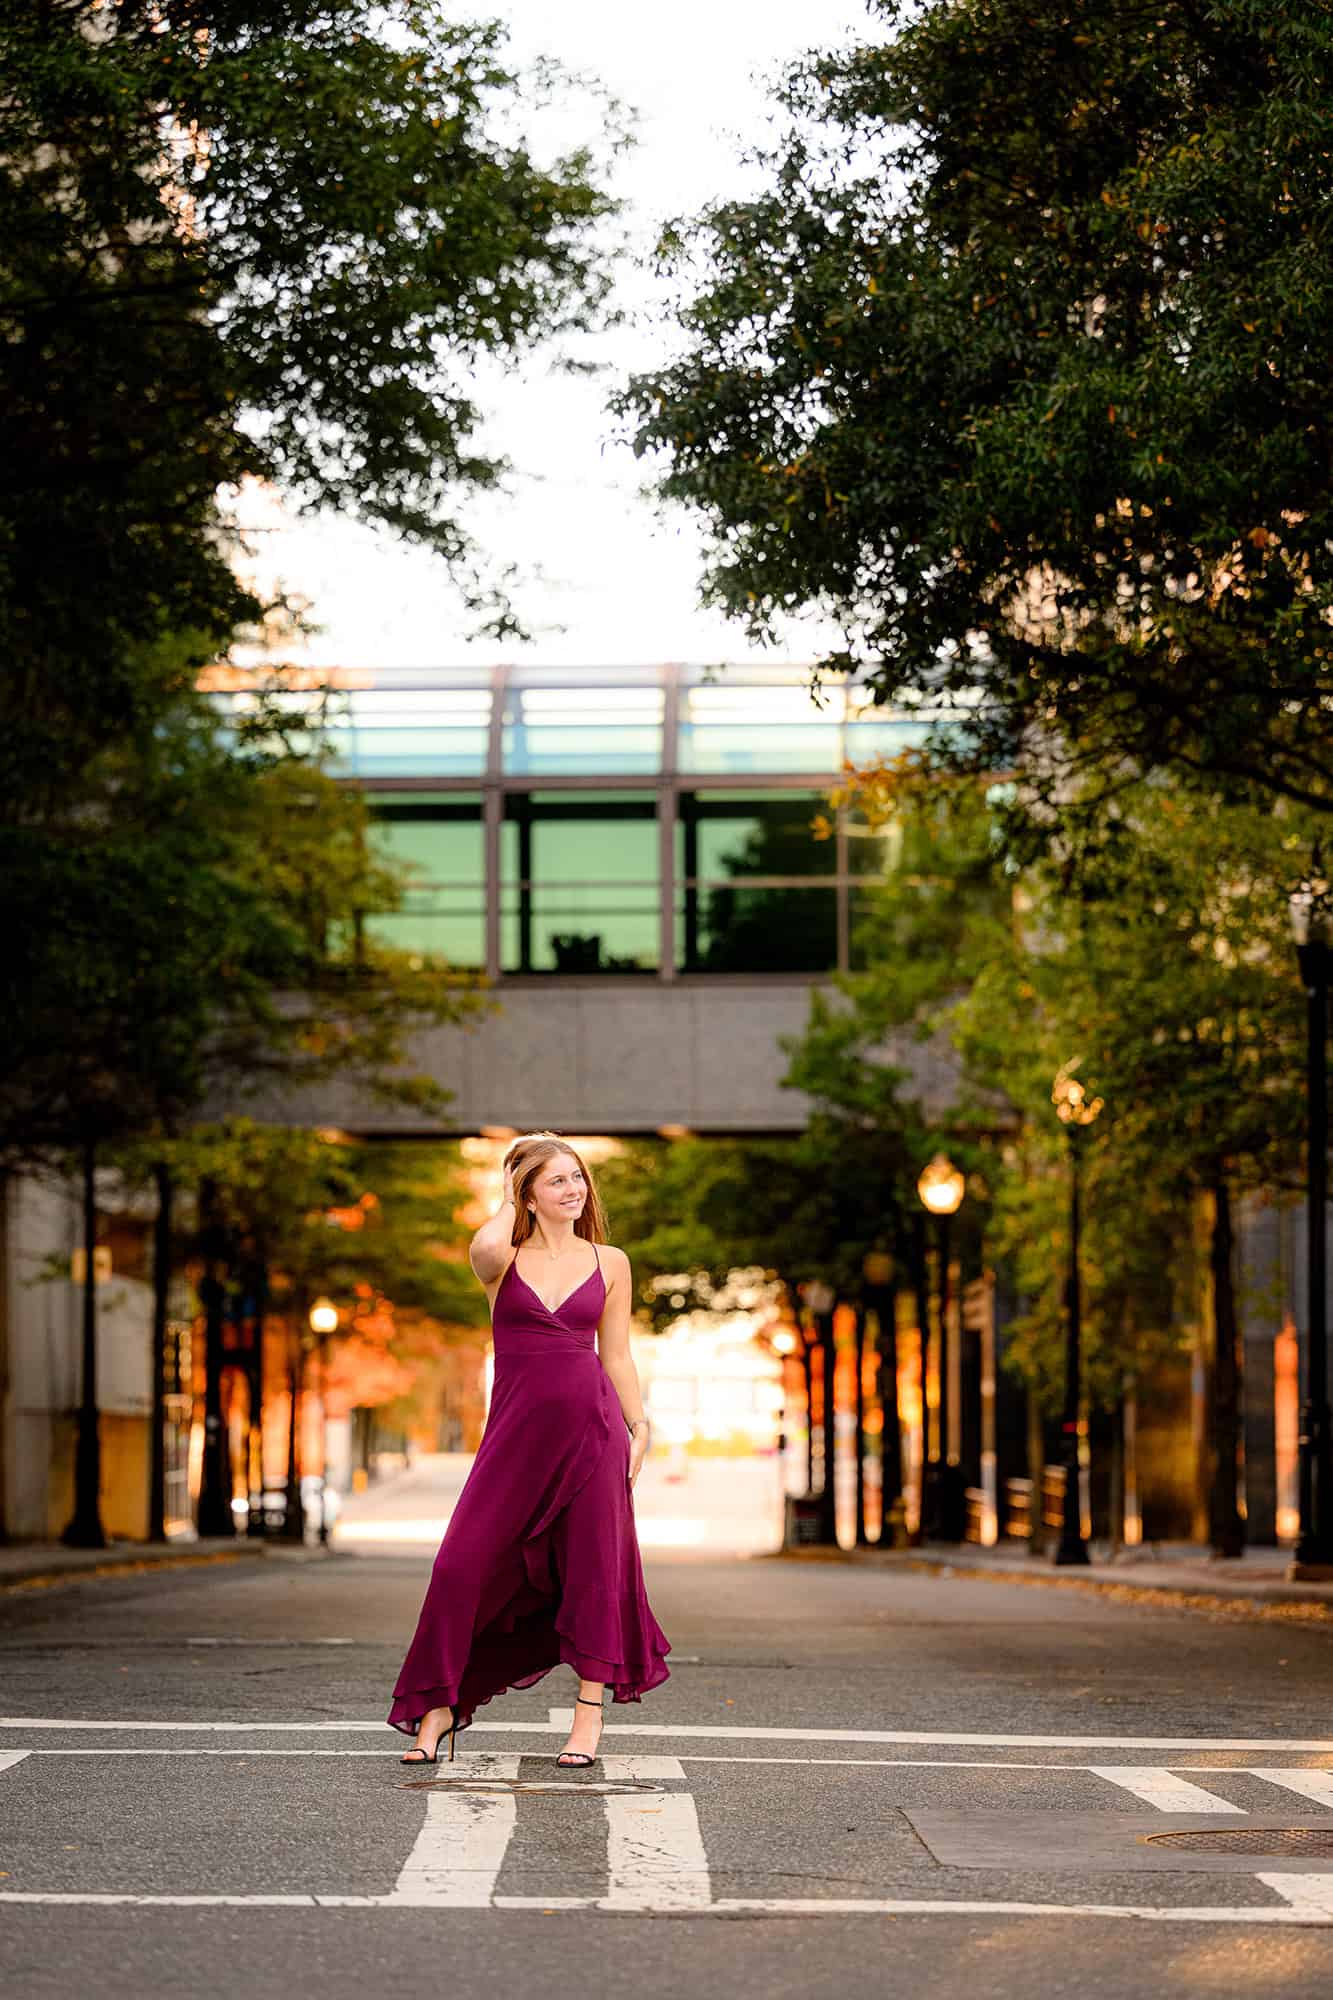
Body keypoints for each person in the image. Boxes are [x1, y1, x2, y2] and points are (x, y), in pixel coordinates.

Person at [388, 1131, 671, 1768]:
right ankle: (438, 1707)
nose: (574, 1190)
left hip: (592, 1432)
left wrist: (639, 1423)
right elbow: (489, 1240)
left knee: (594, 1571)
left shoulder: (611, 1261)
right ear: (528, 1195)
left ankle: (587, 1722)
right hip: (514, 1438)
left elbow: (617, 1353)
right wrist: (512, 1175)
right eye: (557, 1181)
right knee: (459, 1567)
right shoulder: (499, 1259)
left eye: (578, 1178)